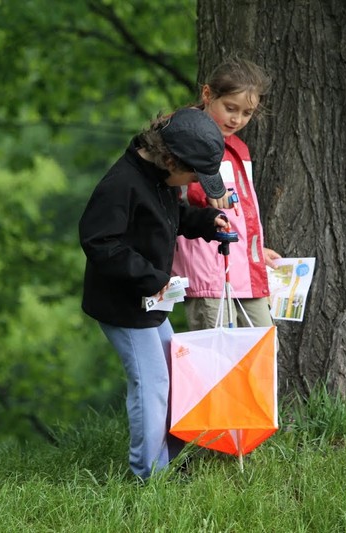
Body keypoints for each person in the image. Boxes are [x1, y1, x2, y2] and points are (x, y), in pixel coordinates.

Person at [79, 108, 230, 480]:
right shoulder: (122, 184)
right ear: (168, 159)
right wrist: (149, 277)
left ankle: (170, 457)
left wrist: (206, 222)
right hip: (124, 305)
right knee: (152, 384)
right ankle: (149, 474)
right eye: (193, 174)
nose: (195, 181)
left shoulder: (161, 179)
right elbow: (99, 242)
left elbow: (172, 215)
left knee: (175, 374)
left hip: (151, 299)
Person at [172, 58, 281, 330]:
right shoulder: (186, 139)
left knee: (263, 349)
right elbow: (195, 200)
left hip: (246, 269)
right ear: (208, 94)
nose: (237, 119)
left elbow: (240, 212)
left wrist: (253, 248)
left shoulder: (239, 148)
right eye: (230, 108)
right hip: (209, 271)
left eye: (247, 113)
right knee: (220, 355)